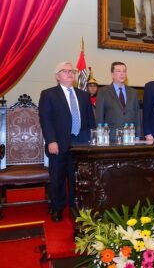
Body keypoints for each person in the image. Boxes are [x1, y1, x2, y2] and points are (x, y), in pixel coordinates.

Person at [39, 62, 96, 222]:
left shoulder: (83, 95)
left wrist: (93, 139)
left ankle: (74, 206)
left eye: (72, 71)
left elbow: (90, 120)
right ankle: (57, 208)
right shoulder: (49, 94)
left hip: (81, 144)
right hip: (58, 143)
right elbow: (46, 120)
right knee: (57, 177)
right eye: (66, 71)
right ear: (58, 76)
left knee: (76, 178)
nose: (70, 74)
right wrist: (51, 141)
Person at [95, 61, 141, 141]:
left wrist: (138, 135)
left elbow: (137, 115)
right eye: (118, 71)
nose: (122, 74)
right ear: (112, 74)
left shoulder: (133, 92)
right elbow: (100, 116)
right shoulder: (103, 92)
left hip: (131, 137)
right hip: (111, 138)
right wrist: (100, 137)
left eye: (124, 71)